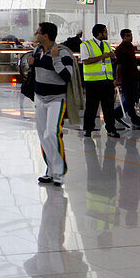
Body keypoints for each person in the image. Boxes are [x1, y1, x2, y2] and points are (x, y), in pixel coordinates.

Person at [28, 22, 75, 186]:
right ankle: (50, 170)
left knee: (51, 133)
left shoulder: (62, 53)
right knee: (42, 135)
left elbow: (67, 76)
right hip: (39, 97)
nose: (36, 34)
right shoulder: (38, 50)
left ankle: (59, 171)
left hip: (56, 99)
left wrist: (55, 60)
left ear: (46, 36)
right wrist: (32, 64)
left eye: (38, 32)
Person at [82, 24, 120, 138]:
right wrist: (102, 56)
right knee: (91, 107)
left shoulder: (106, 45)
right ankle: (88, 129)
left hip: (107, 80)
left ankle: (111, 129)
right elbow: (85, 61)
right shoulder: (86, 45)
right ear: (99, 34)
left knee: (108, 107)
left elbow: (110, 59)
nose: (107, 34)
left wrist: (112, 57)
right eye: (105, 32)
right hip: (93, 81)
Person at [111, 28, 140, 130]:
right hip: (126, 78)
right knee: (129, 100)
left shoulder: (131, 47)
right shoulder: (120, 49)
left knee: (132, 99)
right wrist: (118, 79)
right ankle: (135, 120)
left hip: (134, 76)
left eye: (130, 35)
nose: (130, 37)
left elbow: (132, 60)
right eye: (128, 35)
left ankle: (115, 114)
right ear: (123, 37)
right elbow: (119, 65)